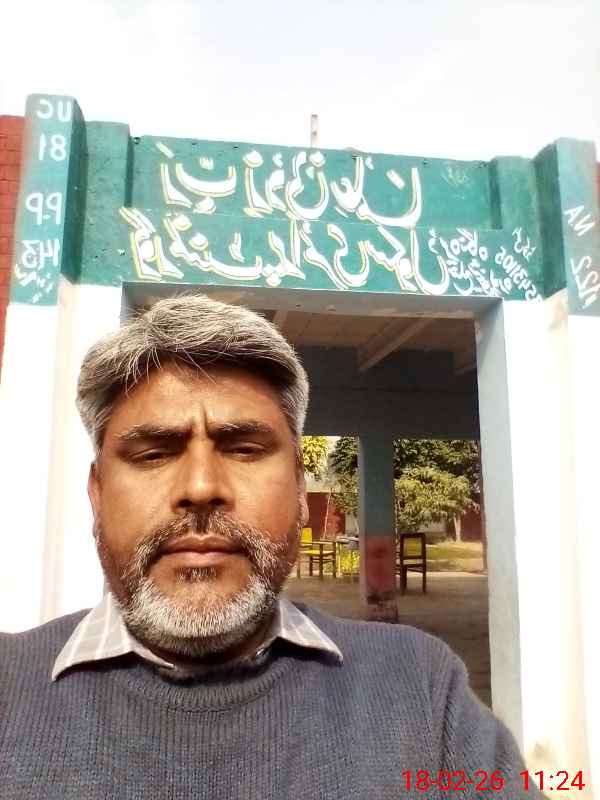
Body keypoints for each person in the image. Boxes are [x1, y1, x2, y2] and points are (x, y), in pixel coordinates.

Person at [1, 295, 544, 799]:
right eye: (153, 454)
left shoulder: (420, 688)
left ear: (301, 491)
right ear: (97, 494)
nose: (201, 488)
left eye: (243, 448)